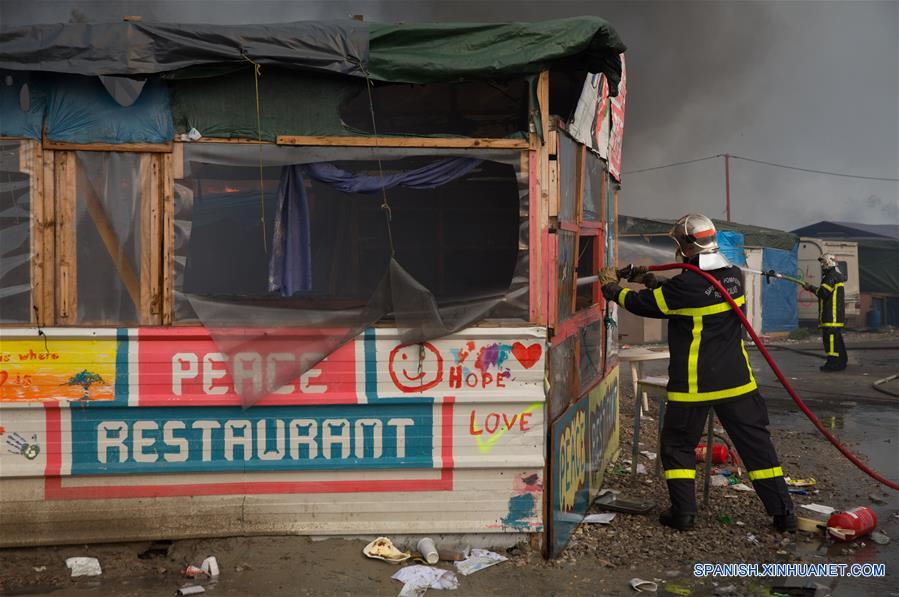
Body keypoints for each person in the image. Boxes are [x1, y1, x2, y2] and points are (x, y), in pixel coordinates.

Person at [598, 213, 795, 532]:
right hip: (738, 382)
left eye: (679, 244)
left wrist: (610, 287)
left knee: (677, 446)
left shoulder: (686, 285)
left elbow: (641, 304)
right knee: (758, 448)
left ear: (688, 245)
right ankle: (783, 513)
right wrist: (652, 282)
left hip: (694, 385)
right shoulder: (732, 275)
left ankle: (684, 513)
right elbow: (689, 298)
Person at [803, 254, 847, 371]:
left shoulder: (830, 277)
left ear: (828, 262)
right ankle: (842, 361)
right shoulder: (835, 276)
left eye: (823, 262)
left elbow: (823, 293)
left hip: (831, 316)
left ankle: (833, 364)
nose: (822, 265)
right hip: (834, 315)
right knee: (837, 340)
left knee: (831, 341)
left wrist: (810, 288)